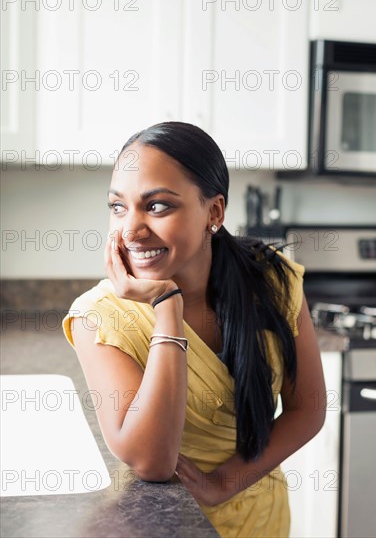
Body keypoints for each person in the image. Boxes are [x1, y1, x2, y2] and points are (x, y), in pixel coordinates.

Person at [62, 121, 326, 537]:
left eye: (157, 206)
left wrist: (224, 483)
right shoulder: (99, 316)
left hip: (263, 516)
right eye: (118, 207)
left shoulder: (272, 281)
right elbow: (152, 462)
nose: (131, 229)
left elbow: (306, 408)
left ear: (214, 212)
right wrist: (167, 307)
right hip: (163, 526)